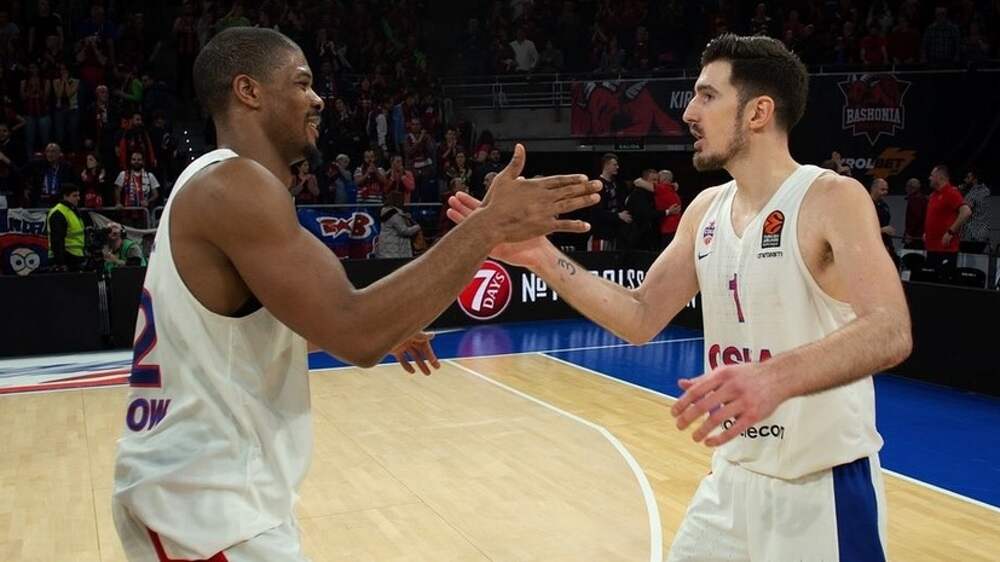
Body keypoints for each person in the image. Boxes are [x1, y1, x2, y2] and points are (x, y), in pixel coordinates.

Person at [111, 27, 600, 561]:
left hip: (205, 501)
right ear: (248, 91)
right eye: (302, 83)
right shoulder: (235, 187)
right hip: (205, 512)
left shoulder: (216, 184)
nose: (318, 98)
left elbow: (255, 336)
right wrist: (489, 226)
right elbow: (356, 331)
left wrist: (381, 326)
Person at [448, 34, 911, 561]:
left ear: (758, 112)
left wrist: (774, 377)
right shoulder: (706, 209)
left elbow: (890, 328)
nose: (689, 112)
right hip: (730, 483)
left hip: (820, 492)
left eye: (707, 96)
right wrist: (539, 255)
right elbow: (640, 316)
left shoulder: (831, 197)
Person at [924, 164, 970, 274]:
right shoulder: (933, 195)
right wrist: (926, 232)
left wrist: (950, 232)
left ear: (940, 177)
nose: (929, 178)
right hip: (932, 248)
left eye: (932, 175)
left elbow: (966, 212)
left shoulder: (951, 193)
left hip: (945, 250)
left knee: (942, 281)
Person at [46, 182, 86, 271]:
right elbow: (57, 240)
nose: (78, 198)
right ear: (65, 196)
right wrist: (60, 263)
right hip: (66, 257)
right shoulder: (58, 212)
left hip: (76, 256)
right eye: (74, 196)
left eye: (78, 195)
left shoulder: (72, 210)